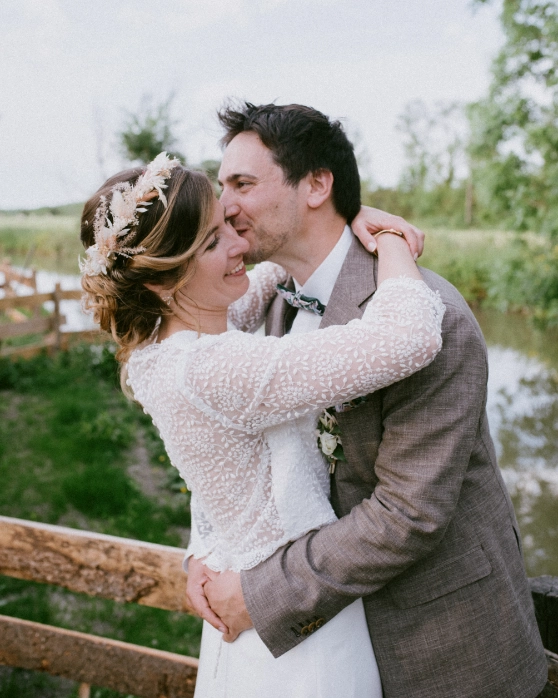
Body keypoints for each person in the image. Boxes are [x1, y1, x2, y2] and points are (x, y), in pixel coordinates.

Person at [186, 103, 549, 698]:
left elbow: (408, 514)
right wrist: (204, 553)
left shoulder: (429, 317)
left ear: (317, 185)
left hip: (443, 650)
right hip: (328, 650)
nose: (223, 205)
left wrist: (257, 594)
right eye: (222, 185)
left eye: (242, 184)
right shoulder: (273, 299)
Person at [79, 152, 445, 698]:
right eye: (210, 243)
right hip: (299, 629)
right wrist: (390, 238)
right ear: (160, 282)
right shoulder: (213, 370)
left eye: (228, 223)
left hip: (245, 591)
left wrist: (343, 216)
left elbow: (270, 273)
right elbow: (408, 338)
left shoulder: (166, 346)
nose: (238, 245)